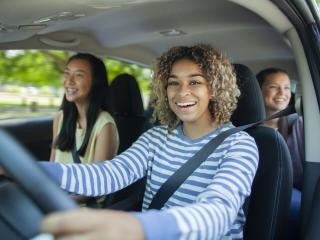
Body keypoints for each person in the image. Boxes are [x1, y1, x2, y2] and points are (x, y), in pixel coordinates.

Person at [37, 44, 259, 239]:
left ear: (214, 89)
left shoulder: (239, 146)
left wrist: (140, 227)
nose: (182, 92)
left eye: (195, 82)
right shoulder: (156, 137)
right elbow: (108, 174)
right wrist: (37, 171)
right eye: (174, 83)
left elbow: (218, 212)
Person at [50, 53, 119, 205]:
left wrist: (57, 201)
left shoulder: (105, 125)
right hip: (55, 198)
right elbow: (52, 165)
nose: (69, 81)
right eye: (67, 73)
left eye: (78, 75)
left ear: (95, 82)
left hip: (81, 207)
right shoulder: (60, 118)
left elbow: (95, 185)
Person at [256, 67, 304, 239]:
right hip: (254, 189)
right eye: (274, 87)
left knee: (294, 205)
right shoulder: (244, 129)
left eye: (286, 87)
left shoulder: (299, 125)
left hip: (291, 191)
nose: (282, 93)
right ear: (258, 91)